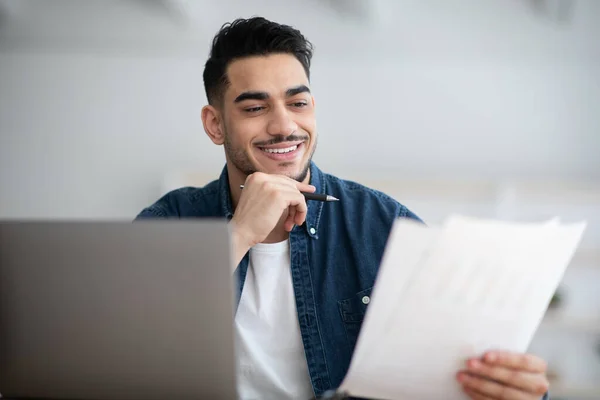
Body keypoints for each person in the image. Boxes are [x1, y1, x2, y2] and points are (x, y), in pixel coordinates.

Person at [135, 17, 550, 400]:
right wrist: (239, 234)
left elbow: (465, 360)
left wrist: (516, 387)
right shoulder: (172, 220)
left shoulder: (381, 222)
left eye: (298, 103)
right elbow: (122, 347)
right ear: (215, 124)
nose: (284, 126)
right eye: (255, 108)